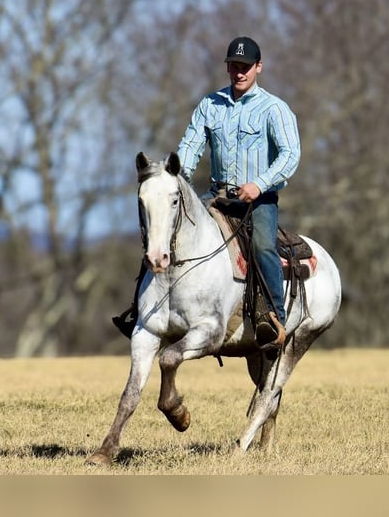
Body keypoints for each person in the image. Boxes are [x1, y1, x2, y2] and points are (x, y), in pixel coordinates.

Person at [113, 36, 301, 349]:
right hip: (217, 196)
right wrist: (173, 178)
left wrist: (260, 184)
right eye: (233, 66)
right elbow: (190, 146)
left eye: (245, 66)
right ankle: (140, 311)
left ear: (258, 67)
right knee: (167, 231)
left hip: (259, 199)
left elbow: (290, 155)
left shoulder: (274, 109)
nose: (239, 72)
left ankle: (272, 317)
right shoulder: (210, 105)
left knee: (263, 246)